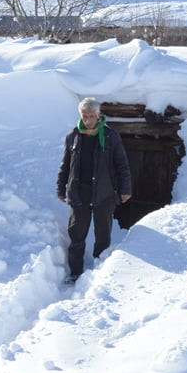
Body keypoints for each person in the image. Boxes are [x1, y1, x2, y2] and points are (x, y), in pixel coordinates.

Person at [57, 97, 132, 283]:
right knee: (76, 235)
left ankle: (101, 272)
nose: (88, 119)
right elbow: (65, 165)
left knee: (103, 235)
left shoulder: (110, 136)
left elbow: (122, 165)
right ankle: (75, 273)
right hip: (78, 193)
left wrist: (125, 188)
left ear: (99, 116)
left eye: (92, 116)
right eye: (85, 116)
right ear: (80, 115)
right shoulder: (72, 136)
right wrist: (61, 186)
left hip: (104, 194)